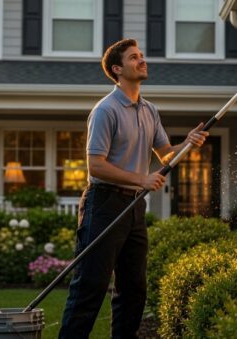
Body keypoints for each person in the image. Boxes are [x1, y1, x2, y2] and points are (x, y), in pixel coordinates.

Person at [59, 38, 208, 339]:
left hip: (135, 207)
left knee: (134, 289)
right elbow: (95, 166)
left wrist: (188, 143)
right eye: (133, 57)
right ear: (117, 69)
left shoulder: (149, 110)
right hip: (103, 204)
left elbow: (165, 154)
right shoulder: (106, 110)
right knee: (90, 287)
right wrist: (141, 179)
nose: (142, 60)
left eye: (141, 55)